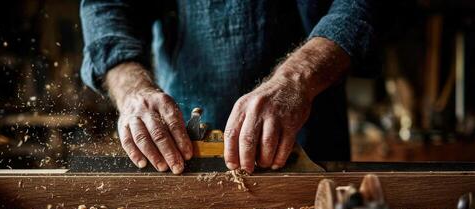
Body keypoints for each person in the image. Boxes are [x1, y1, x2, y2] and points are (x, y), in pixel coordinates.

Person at [80, 0, 379, 174]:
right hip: (180, 154)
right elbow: (107, 7)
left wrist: (298, 77)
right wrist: (132, 87)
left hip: (311, 142)